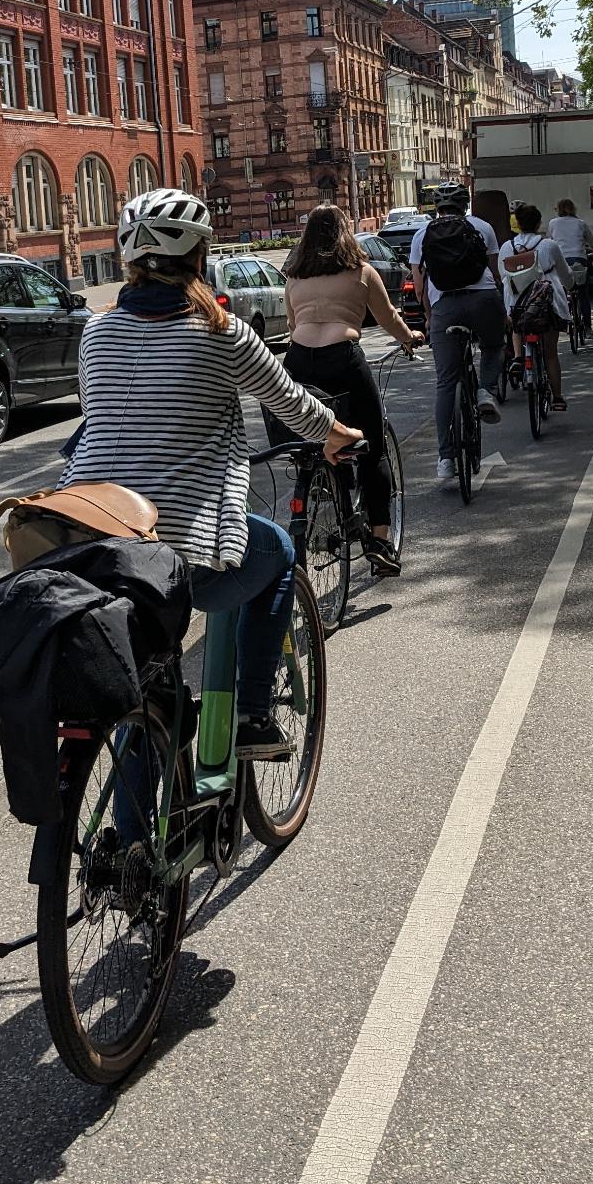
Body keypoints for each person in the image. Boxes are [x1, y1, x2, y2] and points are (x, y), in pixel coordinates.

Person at [64, 188, 361, 760]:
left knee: (148, 693)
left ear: (129, 262)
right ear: (200, 257)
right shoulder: (222, 333)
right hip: (174, 550)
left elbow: (97, 411)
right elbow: (290, 402)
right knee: (274, 550)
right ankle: (250, 714)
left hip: (89, 538)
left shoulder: (96, 333)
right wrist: (336, 434)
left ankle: (135, 836)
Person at [282, 205, 422, 574]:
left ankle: (324, 494)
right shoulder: (362, 272)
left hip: (297, 361)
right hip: (342, 358)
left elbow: (294, 323)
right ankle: (379, 540)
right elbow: (388, 317)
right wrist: (409, 339)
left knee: (315, 440)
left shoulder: (293, 277)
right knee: (372, 446)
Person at [409, 183, 506, 487]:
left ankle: (446, 459)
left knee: (446, 382)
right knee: (494, 345)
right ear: (465, 206)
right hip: (482, 299)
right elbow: (494, 271)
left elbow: (420, 284)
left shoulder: (421, 235)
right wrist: (499, 306)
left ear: (436, 208)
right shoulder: (482, 227)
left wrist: (429, 317)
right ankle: (485, 390)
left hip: (445, 308)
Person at [499, 203, 575, 412]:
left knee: (516, 321)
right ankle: (557, 397)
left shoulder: (507, 247)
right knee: (550, 353)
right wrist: (570, 285)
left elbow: (503, 276)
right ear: (539, 223)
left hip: (517, 306)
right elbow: (566, 275)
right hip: (545, 306)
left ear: (518, 224)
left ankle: (517, 357)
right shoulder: (549, 245)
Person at [546, 198, 593, 337]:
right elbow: (591, 242)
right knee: (583, 294)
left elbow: (549, 241)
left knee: (560, 291)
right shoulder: (580, 223)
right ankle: (588, 328)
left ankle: (562, 320)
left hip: (560, 261)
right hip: (578, 260)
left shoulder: (553, 223)